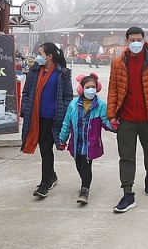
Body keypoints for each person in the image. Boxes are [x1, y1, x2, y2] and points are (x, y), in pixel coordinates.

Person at [106, 27, 148, 213]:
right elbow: (113, 90)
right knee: (126, 156)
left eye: (139, 39)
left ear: (144, 40)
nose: (136, 42)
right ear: (126, 41)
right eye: (132, 39)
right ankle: (128, 193)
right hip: (126, 119)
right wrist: (111, 115)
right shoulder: (118, 63)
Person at [20, 42, 73, 198]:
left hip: (53, 118)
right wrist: (25, 110)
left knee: (45, 148)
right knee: (43, 148)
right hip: (36, 116)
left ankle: (44, 184)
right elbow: (27, 92)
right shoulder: (34, 72)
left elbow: (68, 96)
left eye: (40, 54)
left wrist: (64, 114)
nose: (38, 56)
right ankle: (52, 175)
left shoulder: (62, 74)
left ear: (49, 56)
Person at [58, 73, 112, 204]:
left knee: (86, 165)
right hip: (76, 143)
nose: (91, 89)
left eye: (93, 86)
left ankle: (84, 190)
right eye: (88, 87)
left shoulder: (100, 105)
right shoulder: (73, 104)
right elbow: (66, 123)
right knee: (79, 165)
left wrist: (115, 126)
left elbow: (106, 122)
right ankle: (85, 181)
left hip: (90, 144)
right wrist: (62, 139)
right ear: (81, 88)